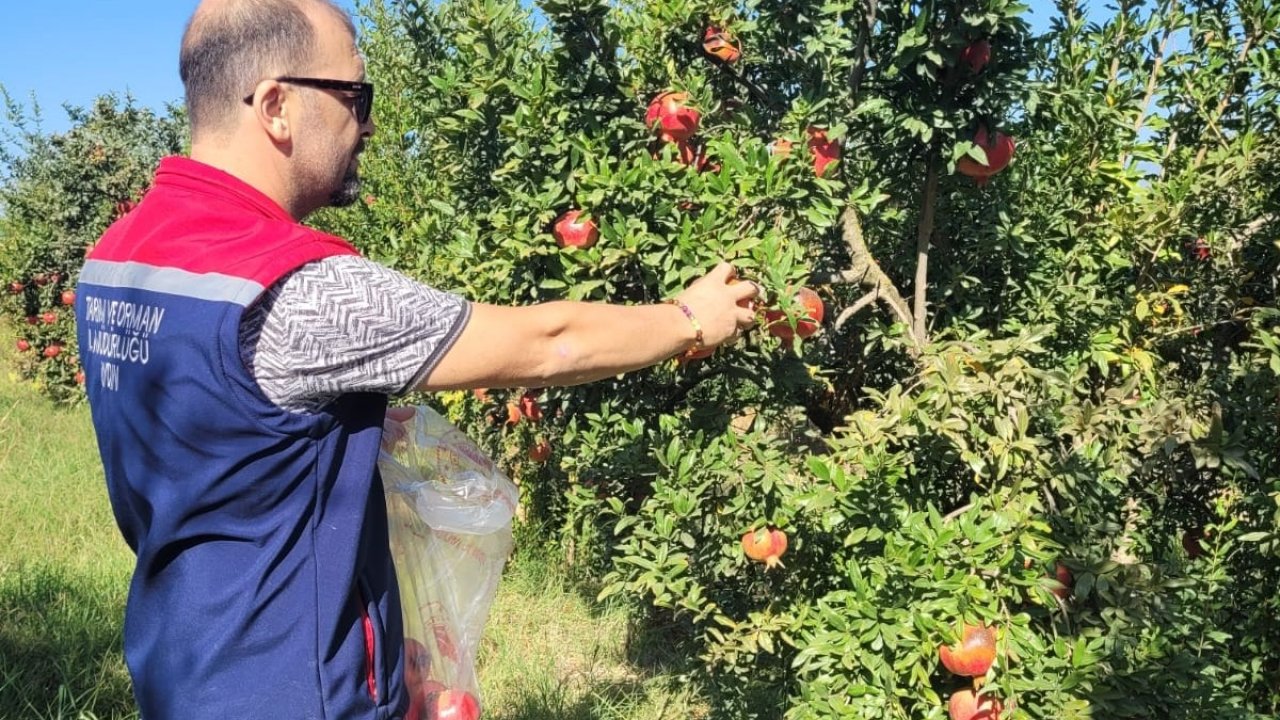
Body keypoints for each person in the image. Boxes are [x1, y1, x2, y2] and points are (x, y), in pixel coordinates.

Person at [73, 0, 758, 718]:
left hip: (182, 665)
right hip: (299, 690)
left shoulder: (118, 260)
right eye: (355, 96)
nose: (367, 125)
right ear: (276, 104)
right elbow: (547, 343)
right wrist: (688, 321)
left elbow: (219, 421)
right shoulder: (295, 286)